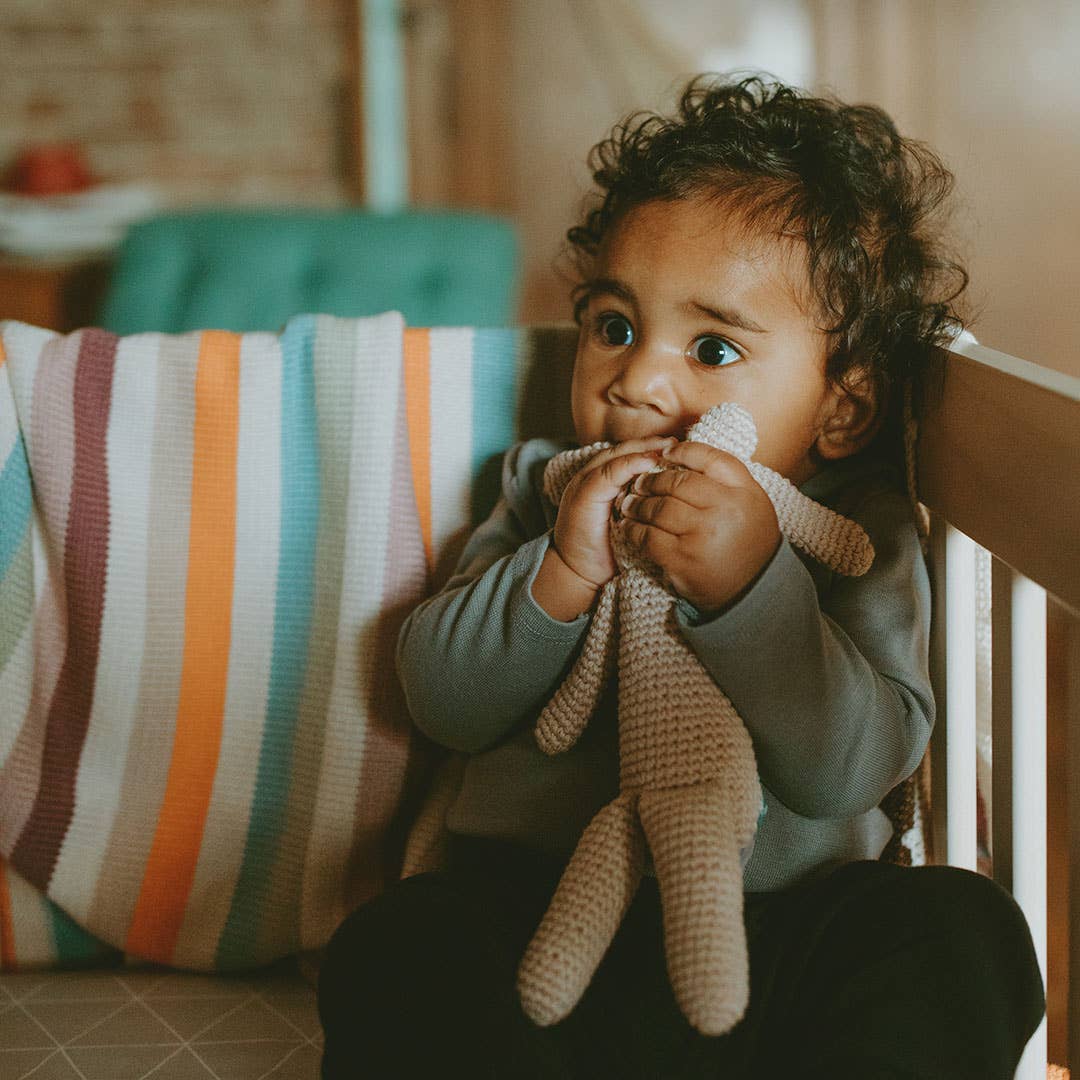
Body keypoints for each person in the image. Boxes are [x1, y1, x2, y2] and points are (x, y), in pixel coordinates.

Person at [318, 74, 1044, 1079]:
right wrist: (564, 568)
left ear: (845, 407)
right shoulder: (544, 491)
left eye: (710, 347)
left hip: (782, 936)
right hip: (537, 924)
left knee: (964, 928)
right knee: (395, 948)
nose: (636, 379)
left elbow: (850, 767)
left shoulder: (853, 532)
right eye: (614, 325)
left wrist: (753, 591)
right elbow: (443, 699)